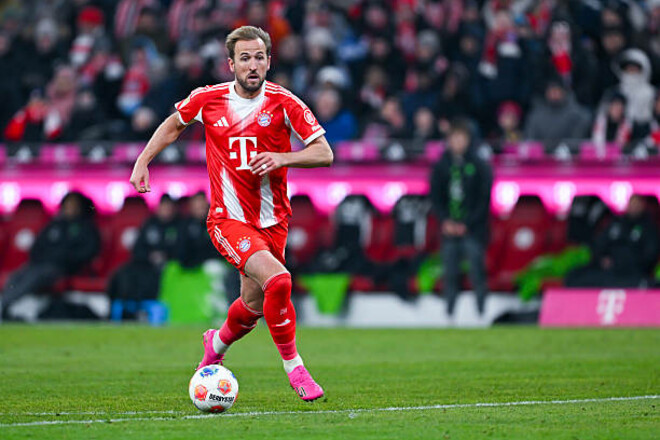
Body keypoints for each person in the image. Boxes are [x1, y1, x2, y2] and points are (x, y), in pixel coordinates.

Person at [129, 26, 333, 401]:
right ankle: (296, 368)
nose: (252, 65)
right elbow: (173, 125)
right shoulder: (208, 99)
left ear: (269, 62)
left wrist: (283, 157)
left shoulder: (285, 102)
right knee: (280, 281)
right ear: (231, 64)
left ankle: (216, 344)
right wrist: (143, 161)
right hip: (229, 219)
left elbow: (324, 152)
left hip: (274, 221)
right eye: (245, 58)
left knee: (253, 306)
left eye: (259, 58)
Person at [1, 192, 100, 316]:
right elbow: (37, 248)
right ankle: (5, 306)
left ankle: (4, 304)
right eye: (68, 204)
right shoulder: (54, 225)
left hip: (64, 268)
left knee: (34, 276)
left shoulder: (86, 227)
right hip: (40, 265)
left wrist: (66, 259)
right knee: (17, 276)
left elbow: (89, 251)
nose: (70, 208)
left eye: (74, 205)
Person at [430, 120, 492, 317]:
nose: (457, 142)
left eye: (461, 138)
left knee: (476, 269)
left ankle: (481, 311)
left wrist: (467, 223)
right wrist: (445, 221)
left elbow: (484, 200)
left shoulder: (479, 165)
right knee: (449, 271)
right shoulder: (441, 166)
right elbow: (436, 198)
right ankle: (449, 313)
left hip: (473, 230)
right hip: (449, 229)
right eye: (454, 138)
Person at [565, 195, 660, 288]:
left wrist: (622, 262)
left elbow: (650, 256)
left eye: (636, 203)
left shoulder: (648, 228)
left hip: (632, 273)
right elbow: (599, 244)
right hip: (608, 270)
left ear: (642, 204)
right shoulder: (617, 223)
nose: (633, 206)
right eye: (631, 203)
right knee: (574, 276)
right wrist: (601, 259)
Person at [107, 194, 180, 305]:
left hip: (170, 266)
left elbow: (182, 249)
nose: (166, 210)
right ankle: (124, 307)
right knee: (124, 273)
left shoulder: (179, 226)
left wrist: (166, 256)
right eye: (163, 206)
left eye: (168, 207)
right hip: (147, 264)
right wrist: (150, 256)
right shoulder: (149, 224)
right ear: (158, 208)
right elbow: (138, 248)